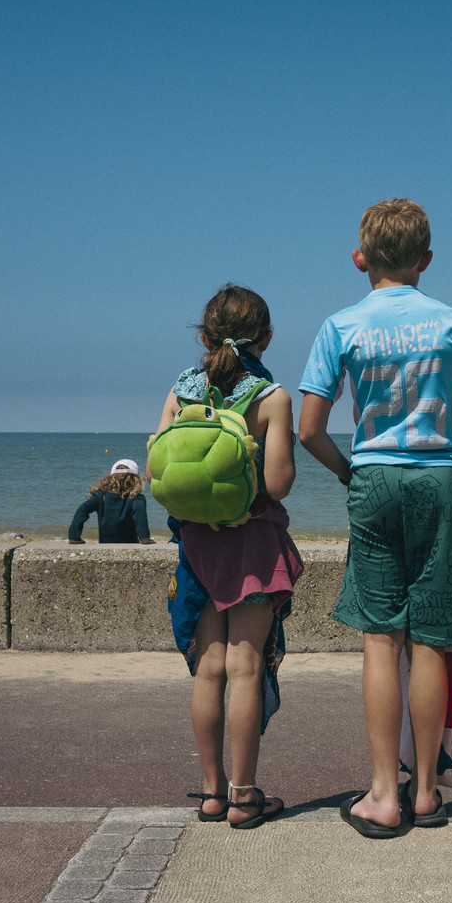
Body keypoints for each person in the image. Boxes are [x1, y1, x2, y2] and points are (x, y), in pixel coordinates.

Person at [298, 198, 452, 838]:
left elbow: (310, 430)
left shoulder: (340, 326)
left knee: (381, 638)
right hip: (442, 480)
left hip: (376, 473)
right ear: (426, 260)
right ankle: (429, 792)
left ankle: (383, 794)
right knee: (433, 637)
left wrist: (355, 472)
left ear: (360, 258)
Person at [157, 284, 303, 830]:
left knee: (209, 668)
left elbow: (158, 475)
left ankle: (213, 793)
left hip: (197, 546)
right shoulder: (273, 398)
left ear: (203, 336)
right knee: (245, 666)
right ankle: (245, 797)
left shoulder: (180, 393)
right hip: (253, 548)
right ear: (266, 338)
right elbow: (279, 485)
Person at [68, 460, 154, 544]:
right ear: (136, 479)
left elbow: (83, 509)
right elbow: (139, 513)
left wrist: (74, 536)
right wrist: (144, 537)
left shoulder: (101, 496)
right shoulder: (136, 498)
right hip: (129, 543)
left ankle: (73, 538)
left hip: (105, 544)